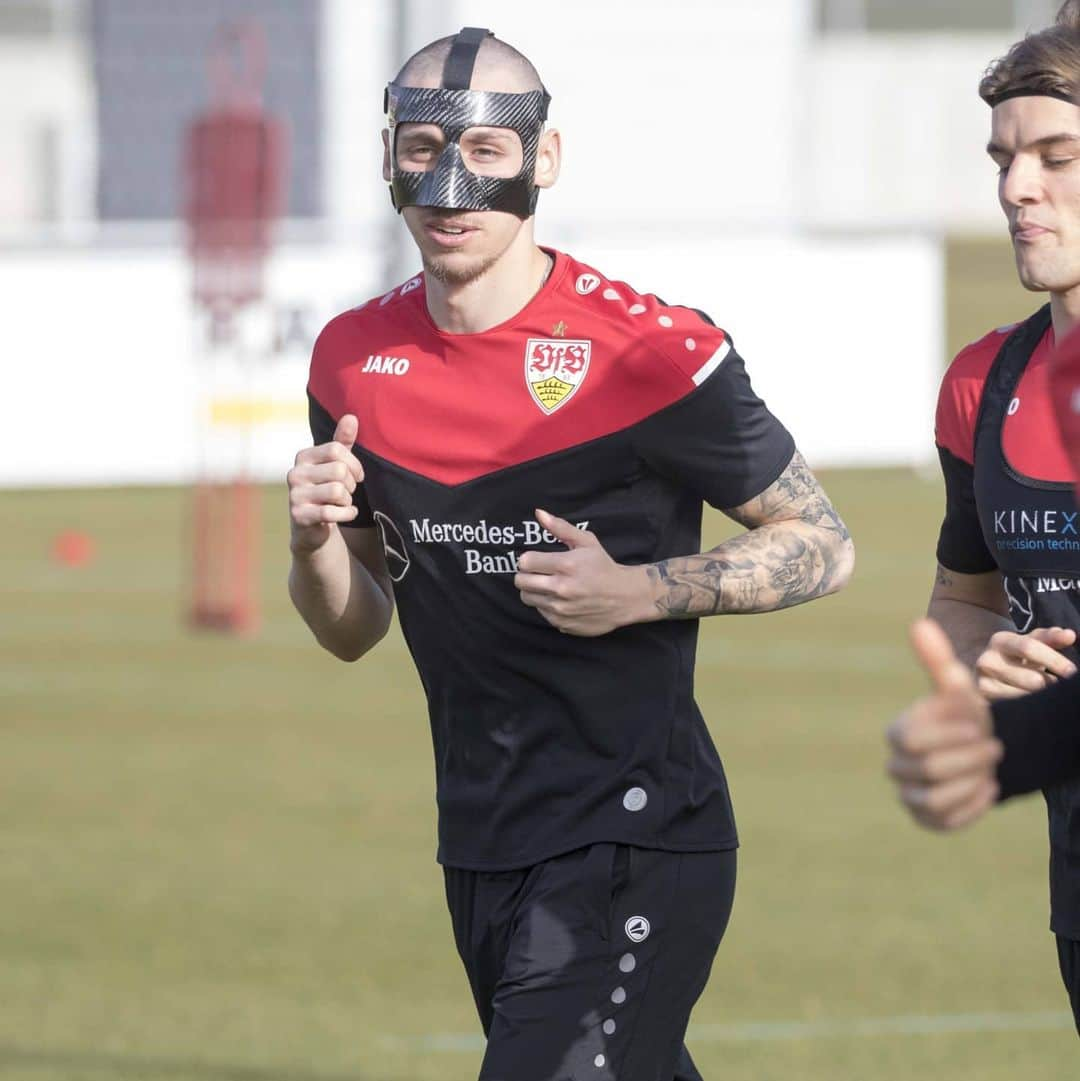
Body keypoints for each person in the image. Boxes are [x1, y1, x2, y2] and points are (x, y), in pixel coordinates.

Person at [288, 27, 854, 1080]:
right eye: (421, 149)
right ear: (387, 159)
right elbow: (355, 626)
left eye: (487, 153)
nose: (450, 184)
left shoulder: (650, 349)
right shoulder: (350, 360)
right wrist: (313, 540)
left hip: (636, 835)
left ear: (543, 159)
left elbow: (823, 543)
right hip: (481, 840)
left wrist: (640, 590)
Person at [889, 0, 1080, 1030]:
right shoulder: (983, 383)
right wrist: (986, 670)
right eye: (1004, 158)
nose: (1017, 188)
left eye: (1056, 155)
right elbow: (964, 603)